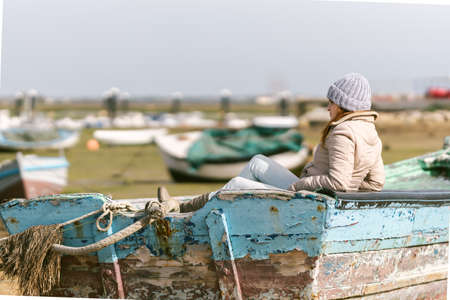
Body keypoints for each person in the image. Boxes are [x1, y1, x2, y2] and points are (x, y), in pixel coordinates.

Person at [158, 73, 385, 213]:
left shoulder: (343, 132)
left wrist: (300, 187)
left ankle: (188, 210)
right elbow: (376, 183)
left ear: (344, 105)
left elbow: (338, 181)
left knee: (237, 185)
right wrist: (348, 195)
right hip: (320, 197)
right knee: (257, 162)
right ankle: (223, 208)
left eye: (331, 102)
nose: (328, 107)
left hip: (312, 200)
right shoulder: (371, 132)